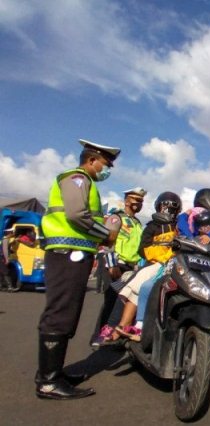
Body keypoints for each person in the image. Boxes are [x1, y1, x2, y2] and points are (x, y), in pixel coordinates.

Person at [36, 139, 120, 400]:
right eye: (106, 164)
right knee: (61, 313)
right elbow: (76, 215)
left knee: (67, 312)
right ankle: (48, 382)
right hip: (66, 253)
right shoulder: (77, 178)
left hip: (74, 253)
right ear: (92, 160)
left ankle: (54, 373)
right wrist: (106, 234)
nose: (106, 170)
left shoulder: (85, 181)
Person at [102, 191, 181, 343]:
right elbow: (138, 248)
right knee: (124, 291)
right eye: (164, 206)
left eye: (172, 208)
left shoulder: (177, 227)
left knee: (134, 287)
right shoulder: (143, 224)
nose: (167, 210)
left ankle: (122, 328)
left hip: (155, 265)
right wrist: (111, 264)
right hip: (126, 264)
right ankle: (114, 328)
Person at [90, 187, 147, 346]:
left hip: (130, 267)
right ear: (127, 200)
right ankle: (98, 337)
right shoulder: (116, 218)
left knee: (123, 303)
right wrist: (111, 264)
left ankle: (117, 337)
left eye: (141, 201)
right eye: (136, 200)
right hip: (115, 264)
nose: (138, 204)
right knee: (110, 301)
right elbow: (108, 242)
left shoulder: (137, 223)